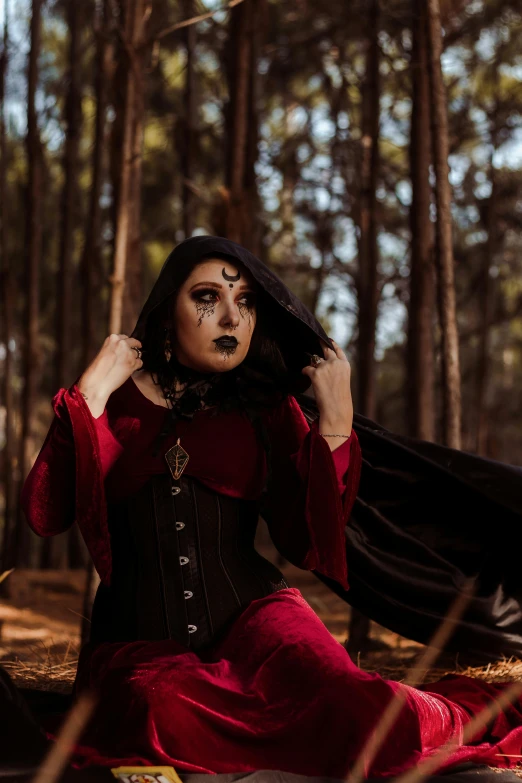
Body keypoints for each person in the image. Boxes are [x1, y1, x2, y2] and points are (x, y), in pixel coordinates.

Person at [22, 237, 522, 778]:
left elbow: (305, 542)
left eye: (248, 302)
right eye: (208, 297)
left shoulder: (266, 408)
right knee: (160, 707)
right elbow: (45, 514)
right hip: (139, 644)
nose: (232, 316)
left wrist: (334, 423)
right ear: (168, 312)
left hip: (259, 622)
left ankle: (453, 713)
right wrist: (89, 393)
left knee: (366, 714)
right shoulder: (112, 399)